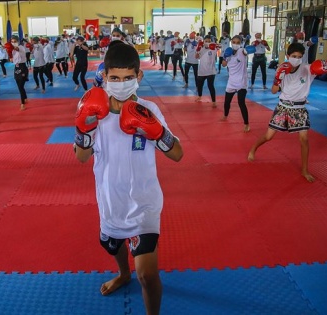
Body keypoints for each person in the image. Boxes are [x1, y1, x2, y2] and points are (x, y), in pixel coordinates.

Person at [73, 41, 183, 315]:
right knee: (111, 244)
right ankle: (123, 274)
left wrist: (156, 131)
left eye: (128, 78)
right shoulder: (93, 108)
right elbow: (82, 157)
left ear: (139, 76)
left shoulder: (149, 110)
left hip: (145, 202)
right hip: (110, 199)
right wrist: (83, 126)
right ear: (105, 76)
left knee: (147, 275)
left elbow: (178, 154)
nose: (121, 84)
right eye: (114, 78)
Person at [248, 43, 327, 182]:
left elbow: (320, 68)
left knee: (304, 140)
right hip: (283, 107)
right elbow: (274, 91)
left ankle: (304, 170)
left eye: (299, 56)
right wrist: (278, 77)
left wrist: (323, 66)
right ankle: (253, 149)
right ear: (288, 56)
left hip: (299, 109)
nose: (296, 59)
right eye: (293, 56)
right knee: (268, 137)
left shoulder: (308, 69)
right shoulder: (282, 69)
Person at [221, 35, 254, 132]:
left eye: (238, 42)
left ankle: (246, 124)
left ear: (240, 43)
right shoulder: (228, 52)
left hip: (241, 82)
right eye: (234, 42)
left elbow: (251, 50)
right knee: (227, 102)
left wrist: (251, 46)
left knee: (241, 103)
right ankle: (225, 115)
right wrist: (225, 56)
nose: (235, 44)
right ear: (231, 42)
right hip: (231, 81)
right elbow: (223, 65)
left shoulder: (242, 51)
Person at [195, 36, 218, 106]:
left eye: (209, 41)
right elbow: (196, 57)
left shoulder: (214, 48)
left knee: (210, 86)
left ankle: (214, 101)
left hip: (211, 71)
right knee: (199, 85)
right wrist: (198, 49)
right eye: (206, 41)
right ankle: (199, 96)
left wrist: (214, 44)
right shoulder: (201, 48)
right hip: (202, 70)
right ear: (204, 41)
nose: (207, 42)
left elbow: (219, 45)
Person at [10, 35, 29, 111]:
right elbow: (13, 59)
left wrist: (10, 47)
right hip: (16, 67)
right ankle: (25, 98)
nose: (13, 43)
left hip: (22, 67)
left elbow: (17, 48)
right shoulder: (13, 50)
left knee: (21, 86)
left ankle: (22, 104)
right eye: (12, 42)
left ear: (18, 41)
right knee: (19, 86)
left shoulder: (21, 47)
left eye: (15, 41)